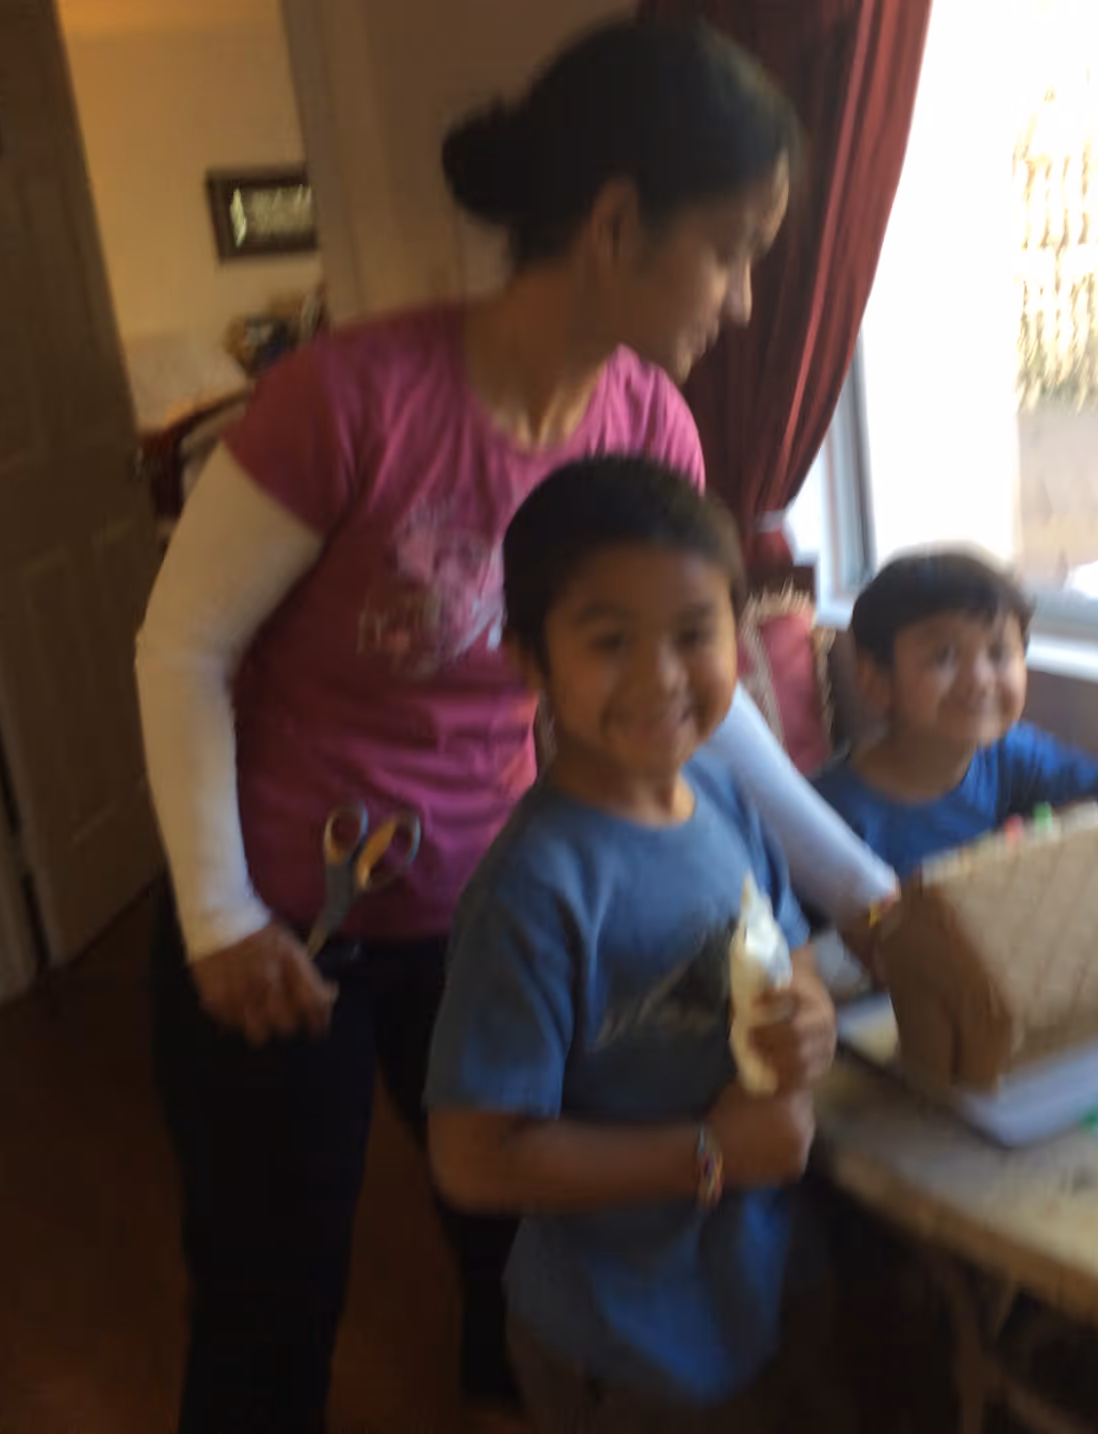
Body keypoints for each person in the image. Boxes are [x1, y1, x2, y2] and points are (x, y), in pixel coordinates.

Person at [133, 18, 895, 1433]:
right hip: (283, 933)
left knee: (510, 1253)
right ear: (615, 222)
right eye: (729, 249)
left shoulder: (649, 425)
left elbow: (685, 701)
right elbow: (182, 643)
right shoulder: (349, 400)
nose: (740, 299)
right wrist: (218, 915)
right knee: (271, 1288)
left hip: (496, 906)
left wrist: (864, 887)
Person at [426, 458, 841, 1433]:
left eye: (693, 635)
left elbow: (793, 956)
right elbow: (473, 1159)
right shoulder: (534, 893)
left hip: (761, 1284)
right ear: (531, 660)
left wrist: (809, 1019)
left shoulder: (726, 799)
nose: (660, 677)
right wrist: (712, 1152)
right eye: (609, 641)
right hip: (626, 1342)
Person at [812, 549, 1098, 881]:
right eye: (944, 657)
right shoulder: (832, 817)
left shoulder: (1010, 754)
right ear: (876, 681)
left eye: (998, 653)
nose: (979, 679)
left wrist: (1030, 845)